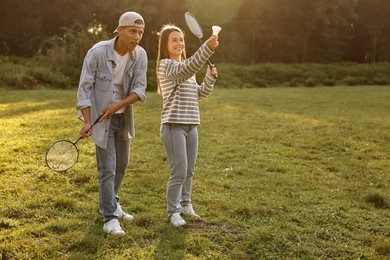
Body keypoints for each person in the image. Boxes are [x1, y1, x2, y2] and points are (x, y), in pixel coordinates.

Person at [75, 11, 147, 235]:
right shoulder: (97, 52)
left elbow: (139, 90)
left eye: (141, 32)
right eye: (133, 31)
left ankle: (111, 203)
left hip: (122, 117)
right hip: (101, 119)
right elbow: (84, 88)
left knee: (122, 165)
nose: (137, 36)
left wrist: (117, 106)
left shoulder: (140, 55)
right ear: (120, 30)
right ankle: (109, 218)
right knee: (107, 168)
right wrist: (88, 122)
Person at [156, 24, 219, 227]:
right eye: (174, 40)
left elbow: (199, 94)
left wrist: (209, 78)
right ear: (165, 44)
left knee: (189, 170)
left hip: (192, 125)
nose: (179, 43)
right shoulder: (166, 66)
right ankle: (173, 211)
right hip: (173, 126)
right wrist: (207, 48)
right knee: (179, 171)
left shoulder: (188, 69)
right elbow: (187, 67)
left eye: (181, 39)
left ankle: (185, 204)